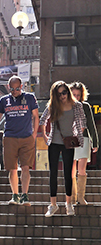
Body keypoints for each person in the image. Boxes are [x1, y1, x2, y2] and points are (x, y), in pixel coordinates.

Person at [39, 81, 86, 217]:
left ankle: (68, 204)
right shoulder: (53, 106)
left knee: (67, 174)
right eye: (58, 94)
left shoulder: (76, 106)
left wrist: (77, 134)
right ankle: (53, 205)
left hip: (68, 143)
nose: (62, 96)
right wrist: (45, 136)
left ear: (68, 91)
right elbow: (42, 120)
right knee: (53, 173)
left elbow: (83, 122)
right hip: (54, 142)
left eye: (64, 92)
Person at [0, 75, 39, 205]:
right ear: (8, 87)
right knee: (12, 168)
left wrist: (34, 134)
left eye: (17, 89)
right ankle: (15, 195)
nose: (14, 91)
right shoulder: (4, 100)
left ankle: (25, 195)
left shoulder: (29, 98)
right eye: (12, 89)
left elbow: (35, 116)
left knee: (25, 168)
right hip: (10, 137)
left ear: (21, 86)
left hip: (26, 137)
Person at [69, 81, 99, 205]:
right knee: (71, 169)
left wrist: (95, 142)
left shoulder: (85, 106)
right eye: (74, 94)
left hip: (84, 139)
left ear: (82, 95)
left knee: (81, 169)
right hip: (70, 139)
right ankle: (72, 197)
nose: (76, 97)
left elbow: (91, 125)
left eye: (78, 95)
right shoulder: (66, 106)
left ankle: (81, 198)